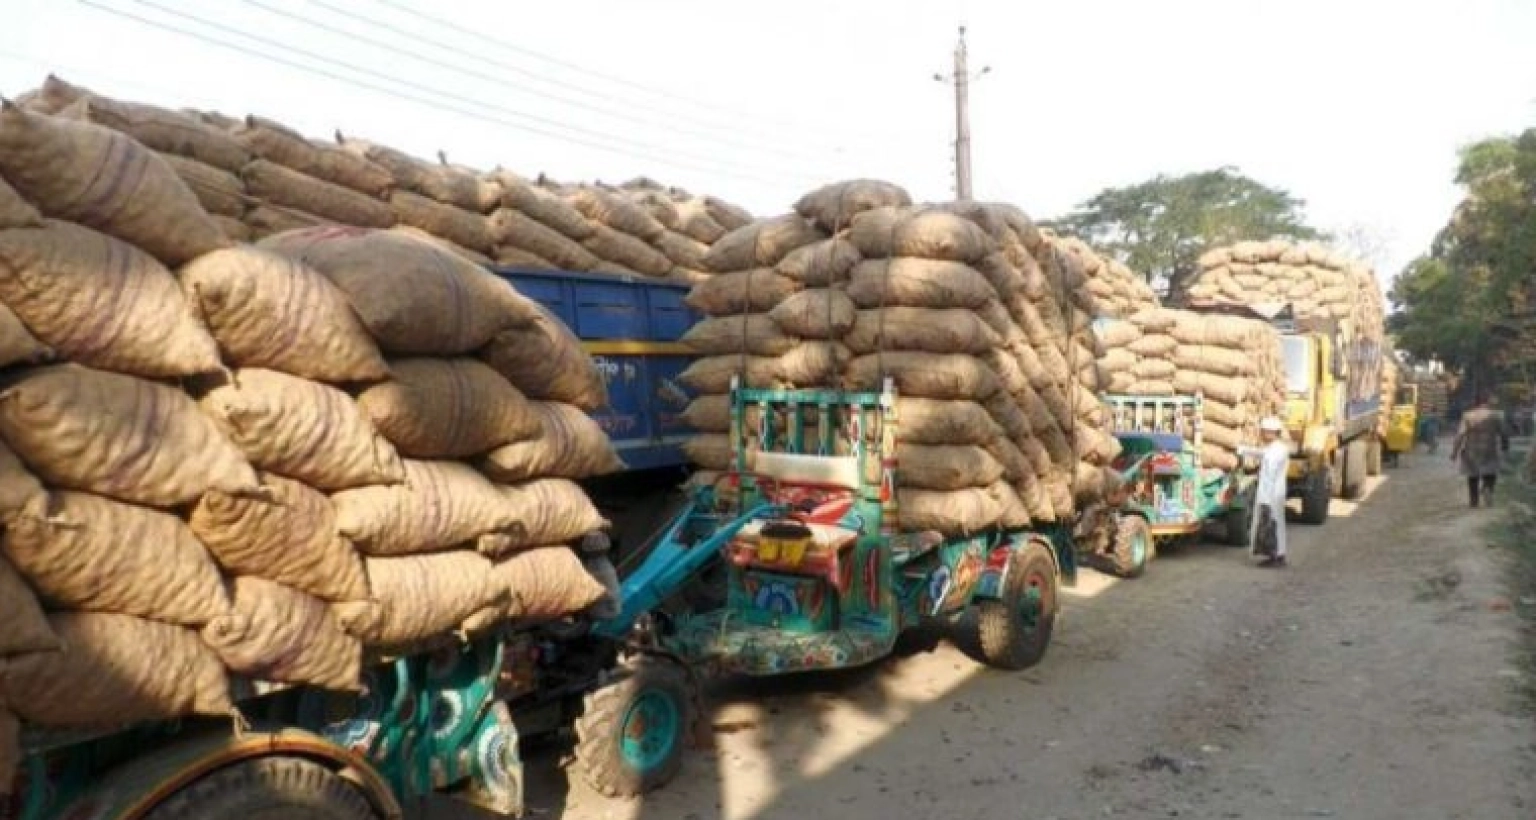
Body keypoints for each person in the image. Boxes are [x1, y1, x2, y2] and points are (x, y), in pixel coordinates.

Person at [1240, 416, 1290, 568]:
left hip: (1272, 493)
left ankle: (1275, 557)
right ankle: (1277, 555)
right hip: (1274, 492)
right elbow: (1261, 453)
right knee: (1276, 524)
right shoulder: (1276, 448)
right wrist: (1243, 450)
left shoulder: (1275, 452)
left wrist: (1266, 498)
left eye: (1263, 432)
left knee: (1271, 524)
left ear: (1271, 433)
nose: (1261, 434)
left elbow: (1270, 473)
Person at [1451, 392, 1510, 508]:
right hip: (1490, 448)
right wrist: (1505, 447)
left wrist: (1454, 452)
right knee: (1490, 473)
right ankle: (1487, 488)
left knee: (1473, 476)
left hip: (1471, 450)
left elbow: (1460, 435)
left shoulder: (1468, 415)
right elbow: (1504, 433)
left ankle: (1474, 501)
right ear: (1487, 401)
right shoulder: (1496, 415)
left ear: (1476, 402)